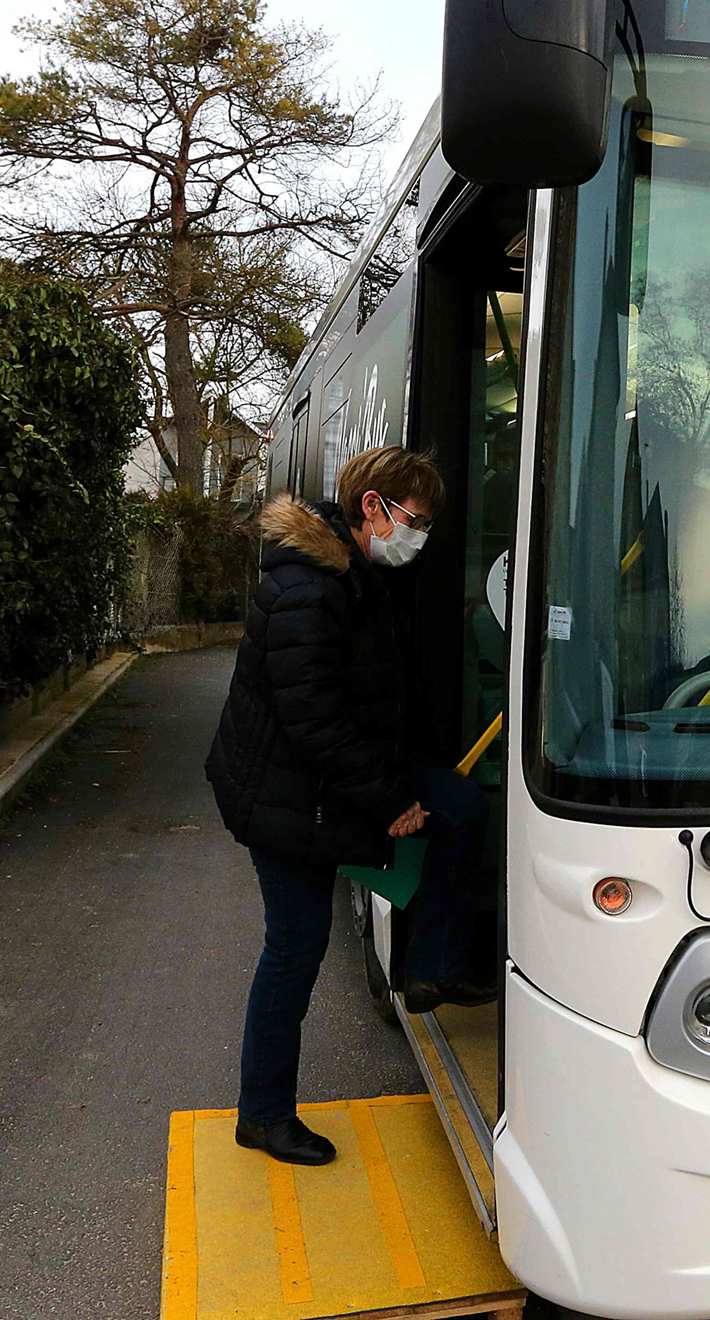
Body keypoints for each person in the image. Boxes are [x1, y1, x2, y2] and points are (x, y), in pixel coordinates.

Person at [205, 445, 493, 1167]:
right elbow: (315, 724)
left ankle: (432, 968)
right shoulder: (309, 588)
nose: (420, 537)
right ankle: (263, 1114)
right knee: (293, 950)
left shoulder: (357, 571)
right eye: (415, 522)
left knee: (462, 808)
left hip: (336, 776)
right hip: (284, 798)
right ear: (374, 508)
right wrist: (390, 801)